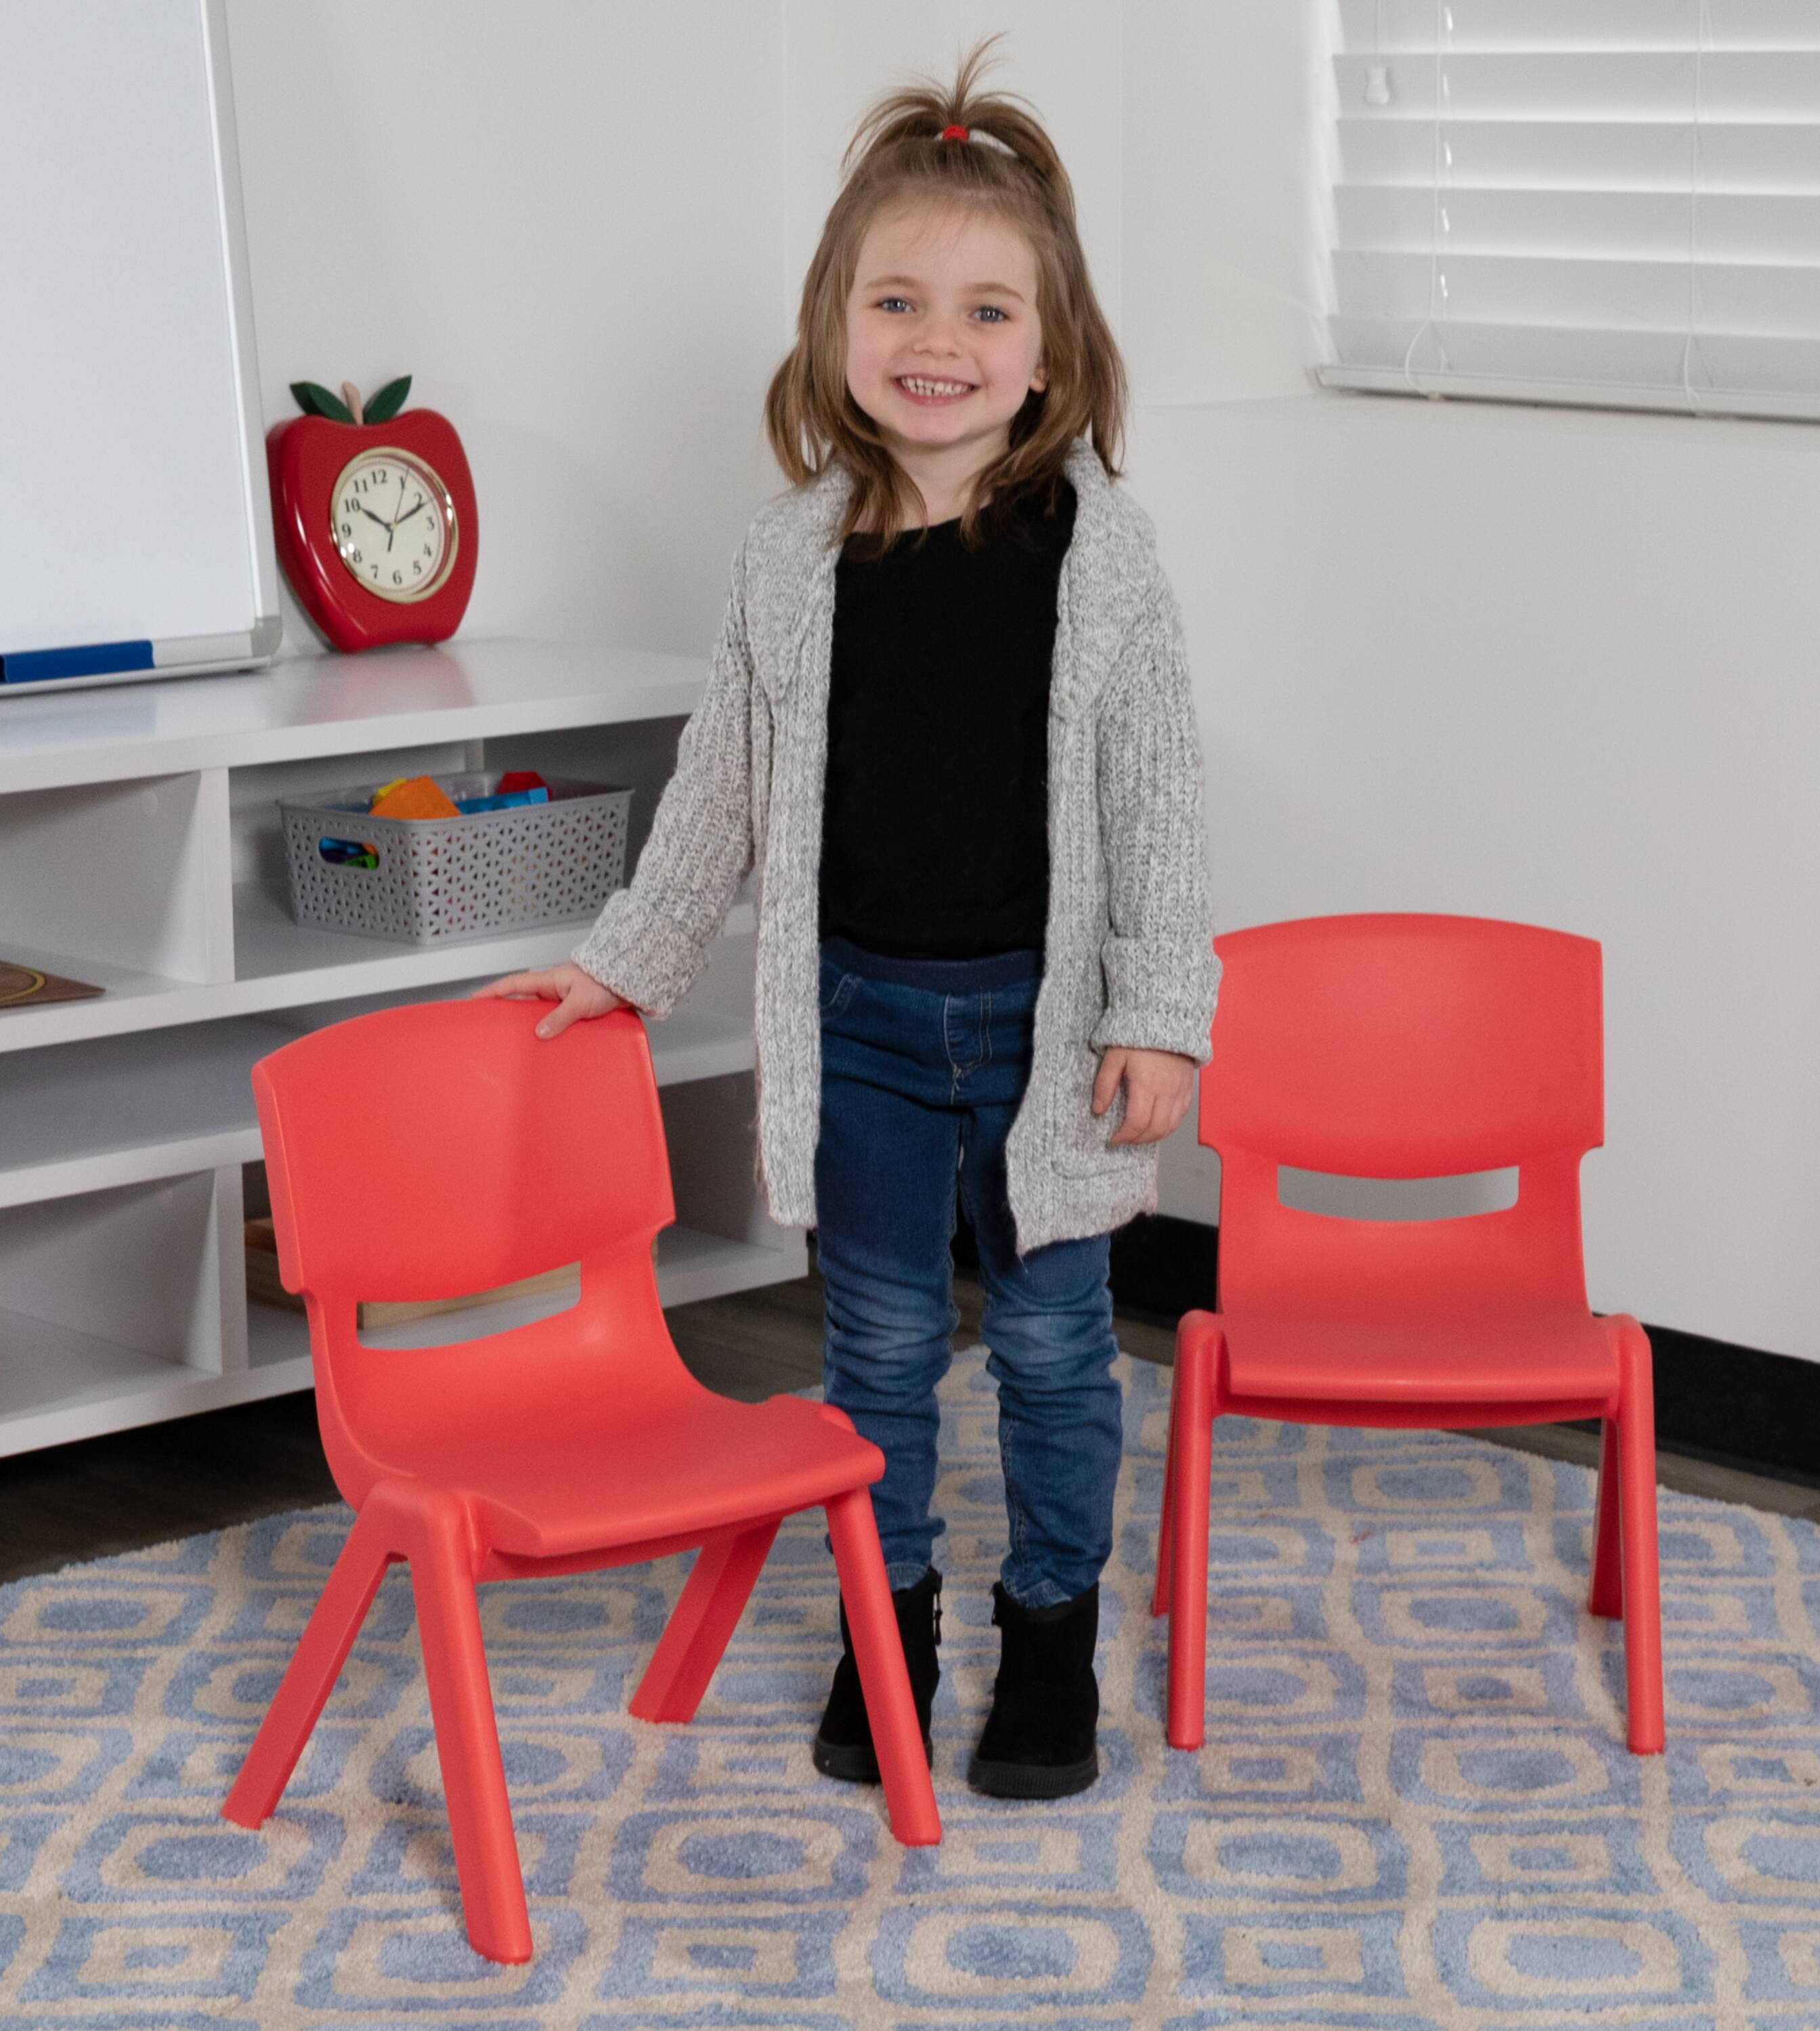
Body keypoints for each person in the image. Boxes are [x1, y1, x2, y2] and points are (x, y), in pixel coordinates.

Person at [478, 35, 1217, 1801]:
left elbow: (1160, 804)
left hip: (1047, 1033)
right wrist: (627, 962)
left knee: (1052, 1349)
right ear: (835, 328)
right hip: (863, 1030)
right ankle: (887, 1626)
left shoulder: (1101, 556)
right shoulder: (788, 555)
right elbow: (720, 786)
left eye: (985, 312)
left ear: (1050, 353)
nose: (936, 343)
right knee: (876, 1351)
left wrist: (1159, 1015)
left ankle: (1052, 1635)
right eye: (897, 302)